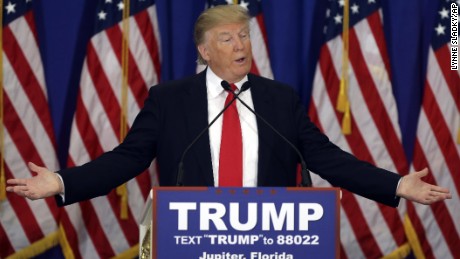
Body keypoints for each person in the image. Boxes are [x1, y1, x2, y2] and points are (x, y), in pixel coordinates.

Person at [6, 5, 451, 207]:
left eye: (244, 36)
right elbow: (127, 160)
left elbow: (325, 158)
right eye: (227, 38)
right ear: (205, 51)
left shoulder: (279, 99)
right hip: (193, 240)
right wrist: (62, 182)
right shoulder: (170, 100)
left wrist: (396, 185)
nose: (240, 46)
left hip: (272, 240)